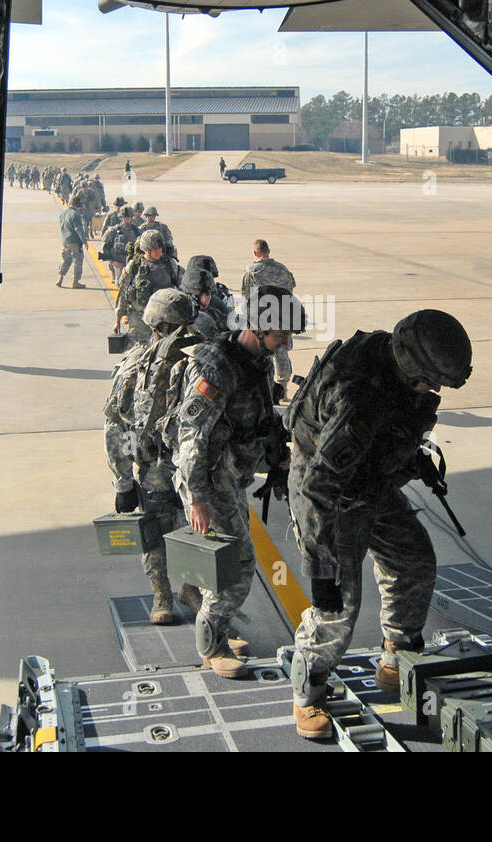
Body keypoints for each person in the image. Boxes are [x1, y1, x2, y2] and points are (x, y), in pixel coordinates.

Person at [285, 309, 472, 739]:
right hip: (331, 491)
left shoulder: (397, 368)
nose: (433, 389)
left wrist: (411, 458)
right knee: (337, 605)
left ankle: (397, 655)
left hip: (368, 480)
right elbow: (318, 487)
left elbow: (397, 425)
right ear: (409, 363)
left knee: (413, 558)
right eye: (429, 380)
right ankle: (307, 694)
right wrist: (319, 568)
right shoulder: (359, 401)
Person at [174, 286, 305, 677]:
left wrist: (278, 453)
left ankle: (198, 596)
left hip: (231, 474)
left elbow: (258, 419)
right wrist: (197, 497)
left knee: (226, 555)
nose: (286, 341)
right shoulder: (215, 367)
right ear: (260, 326)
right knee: (239, 563)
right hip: (208, 480)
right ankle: (211, 645)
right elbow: (191, 434)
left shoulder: (256, 362)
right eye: (281, 332)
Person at [103, 289, 206, 624]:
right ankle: (161, 591)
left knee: (199, 529)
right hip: (155, 465)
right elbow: (116, 425)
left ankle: (191, 588)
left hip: (194, 463)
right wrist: (123, 481)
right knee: (157, 528)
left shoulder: (200, 365)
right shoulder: (134, 367)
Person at [240, 239, 298, 401]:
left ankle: (264, 392)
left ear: (255, 253)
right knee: (281, 353)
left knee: (261, 355)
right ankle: (283, 391)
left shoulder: (251, 271)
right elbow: (290, 291)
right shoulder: (283, 269)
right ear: (269, 251)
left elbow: (246, 297)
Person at [115, 230, 179, 341]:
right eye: (155, 249)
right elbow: (123, 291)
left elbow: (181, 288)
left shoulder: (170, 265)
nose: (158, 251)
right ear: (147, 250)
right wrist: (118, 320)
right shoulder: (135, 265)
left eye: (160, 248)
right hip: (140, 317)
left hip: (164, 318)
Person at [180, 265, 231, 339]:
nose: (204, 300)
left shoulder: (217, 315)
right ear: (188, 293)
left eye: (207, 295)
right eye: (198, 295)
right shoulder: (179, 317)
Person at [100, 206, 140, 284]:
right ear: (121, 217)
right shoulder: (113, 231)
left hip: (132, 263)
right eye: (125, 217)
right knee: (119, 284)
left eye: (129, 217)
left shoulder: (137, 231)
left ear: (132, 218)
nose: (127, 219)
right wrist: (112, 261)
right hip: (119, 263)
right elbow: (104, 249)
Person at [56, 194, 88, 289]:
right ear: (78, 205)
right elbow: (78, 229)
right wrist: (84, 241)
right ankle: (75, 281)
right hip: (74, 241)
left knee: (66, 260)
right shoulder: (76, 215)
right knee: (77, 261)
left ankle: (60, 279)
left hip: (65, 240)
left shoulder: (63, 213)